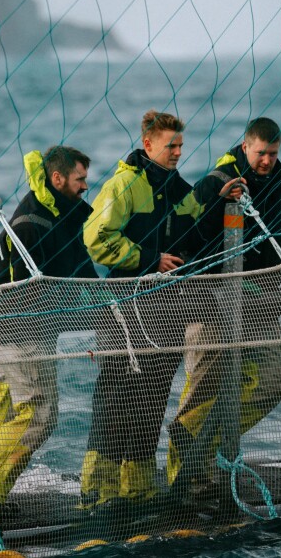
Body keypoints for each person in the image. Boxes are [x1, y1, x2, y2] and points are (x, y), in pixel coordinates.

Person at [78, 110, 241, 510]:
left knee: (152, 397)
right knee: (117, 396)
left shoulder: (176, 186)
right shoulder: (123, 184)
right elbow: (96, 239)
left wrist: (220, 200)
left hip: (166, 307)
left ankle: (138, 488)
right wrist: (149, 259)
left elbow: (193, 230)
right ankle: (97, 490)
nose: (178, 152)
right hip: (125, 306)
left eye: (181, 146)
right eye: (172, 145)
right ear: (148, 144)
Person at [165, 117, 281, 488]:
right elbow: (184, 234)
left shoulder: (280, 183)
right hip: (211, 298)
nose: (266, 160)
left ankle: (206, 450)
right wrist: (219, 204)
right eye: (261, 153)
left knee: (274, 380)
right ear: (245, 146)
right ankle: (181, 478)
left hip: (261, 297)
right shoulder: (215, 181)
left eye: (273, 153)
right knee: (204, 387)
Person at [0, 146, 95, 508]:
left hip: (16, 330)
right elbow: (20, 288)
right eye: (80, 180)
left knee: (2, 409)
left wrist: (107, 306)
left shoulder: (62, 213)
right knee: (39, 416)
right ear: (57, 178)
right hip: (23, 331)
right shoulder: (31, 222)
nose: (85, 187)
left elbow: (80, 270)